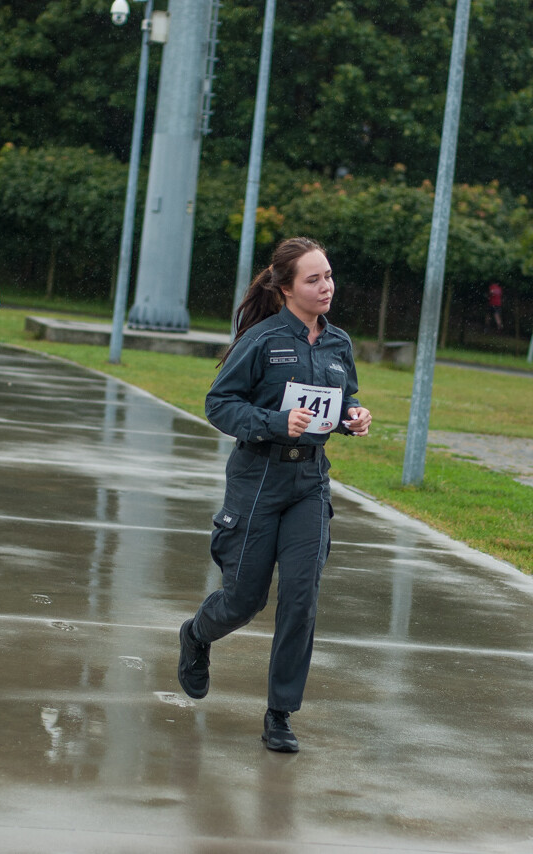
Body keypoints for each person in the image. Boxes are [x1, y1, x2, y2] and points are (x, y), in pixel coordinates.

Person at [177, 237, 372, 753]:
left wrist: (353, 416)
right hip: (258, 479)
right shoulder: (263, 340)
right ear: (286, 288)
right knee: (244, 599)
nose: (326, 286)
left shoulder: (338, 343)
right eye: (313, 279)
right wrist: (274, 422)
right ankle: (197, 635)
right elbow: (220, 404)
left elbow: (340, 395)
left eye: (328, 275)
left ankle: (280, 713)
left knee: (301, 598)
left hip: (310, 482)